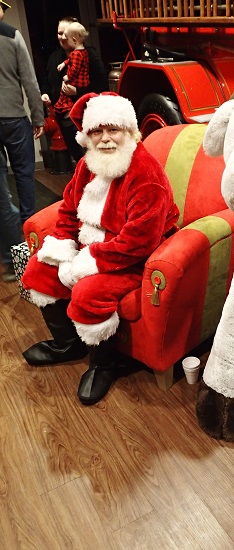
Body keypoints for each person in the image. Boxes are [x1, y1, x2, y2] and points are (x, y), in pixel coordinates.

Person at [22, 92, 179, 406]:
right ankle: (69, 345)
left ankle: (104, 365)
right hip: (93, 248)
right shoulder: (86, 165)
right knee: (39, 268)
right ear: (87, 135)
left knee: (88, 292)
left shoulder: (145, 172)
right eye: (97, 131)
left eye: (113, 130)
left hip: (135, 258)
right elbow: (68, 209)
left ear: (129, 131)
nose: (105, 139)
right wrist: (61, 249)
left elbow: (140, 240)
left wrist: (86, 263)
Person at [0, 0, 44, 281]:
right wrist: (38, 116)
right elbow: (30, 81)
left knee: (0, 193)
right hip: (15, 119)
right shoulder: (12, 35)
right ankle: (32, 250)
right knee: (26, 179)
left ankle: (10, 258)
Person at [41, 16, 109, 162]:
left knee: (92, 158)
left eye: (66, 32)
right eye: (60, 33)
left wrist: (78, 92)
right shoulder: (54, 57)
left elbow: (102, 84)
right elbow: (46, 80)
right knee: (78, 159)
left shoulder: (89, 54)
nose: (63, 37)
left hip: (85, 117)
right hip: (62, 117)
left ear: (76, 36)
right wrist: (45, 93)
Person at [53, 22, 90, 119]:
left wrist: (67, 77)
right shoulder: (83, 51)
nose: (64, 38)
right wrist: (64, 63)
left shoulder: (76, 53)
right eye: (60, 34)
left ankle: (68, 110)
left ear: (74, 40)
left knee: (64, 91)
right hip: (83, 79)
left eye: (66, 37)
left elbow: (75, 69)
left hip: (79, 82)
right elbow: (70, 60)